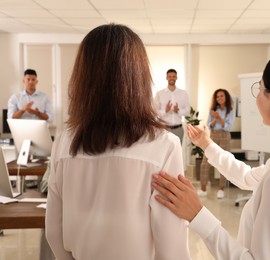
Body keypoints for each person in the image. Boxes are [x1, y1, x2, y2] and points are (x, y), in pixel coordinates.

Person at [152, 52, 270, 259]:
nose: (256, 96)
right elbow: (246, 177)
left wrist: (198, 214)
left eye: (259, 87)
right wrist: (206, 144)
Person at [45, 24, 191, 260]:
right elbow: (171, 245)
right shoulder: (164, 146)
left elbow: (54, 231)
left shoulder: (64, 142)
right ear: (140, 77)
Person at [197, 88, 235, 199]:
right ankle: (203, 189)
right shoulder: (213, 110)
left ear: (226, 97)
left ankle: (221, 189)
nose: (219, 98)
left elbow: (228, 126)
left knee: (223, 162)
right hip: (213, 135)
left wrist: (219, 118)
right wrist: (215, 119)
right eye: (217, 97)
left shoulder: (230, 111)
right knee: (205, 163)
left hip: (224, 136)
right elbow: (209, 125)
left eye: (221, 96)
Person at [154, 69, 190, 143]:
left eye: (174, 76)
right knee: (164, 152)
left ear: (176, 78)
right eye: (170, 76)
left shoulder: (183, 93)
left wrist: (178, 111)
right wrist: (165, 111)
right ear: (166, 78)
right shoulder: (159, 94)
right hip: (164, 129)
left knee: (177, 153)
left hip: (178, 129)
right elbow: (155, 112)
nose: (172, 78)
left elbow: (187, 111)